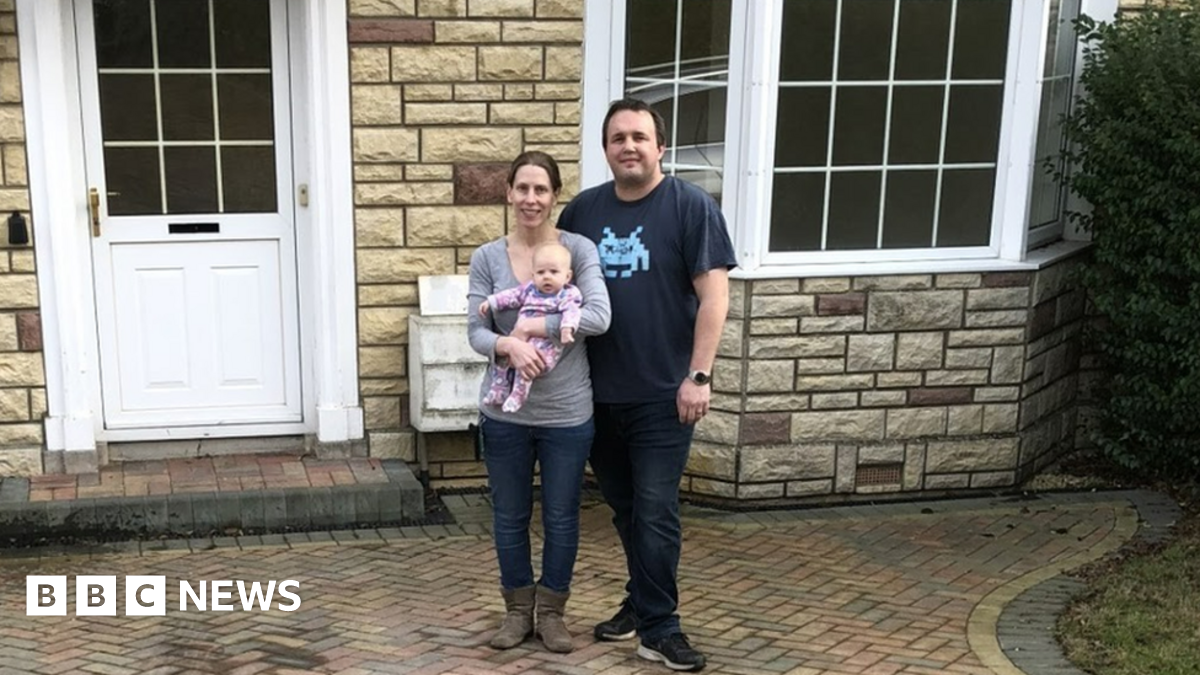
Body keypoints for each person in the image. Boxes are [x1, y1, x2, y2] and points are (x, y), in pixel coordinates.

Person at [558, 98, 737, 672]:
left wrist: (699, 376)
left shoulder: (690, 206)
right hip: (595, 394)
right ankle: (640, 603)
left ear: (661, 147)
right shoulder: (582, 212)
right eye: (617, 138)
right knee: (626, 508)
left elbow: (714, 295)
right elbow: (554, 287)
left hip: (665, 393)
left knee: (656, 510)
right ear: (605, 150)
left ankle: (661, 627)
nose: (628, 146)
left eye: (639, 136)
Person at [466, 150, 612, 654]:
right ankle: (515, 613)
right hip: (504, 413)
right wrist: (508, 345)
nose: (531, 199)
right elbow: (476, 332)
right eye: (522, 189)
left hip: (567, 413)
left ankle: (551, 615)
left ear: (554, 196)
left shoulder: (578, 250)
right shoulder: (487, 257)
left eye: (541, 190)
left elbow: (599, 316)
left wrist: (536, 326)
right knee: (509, 516)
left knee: (561, 516)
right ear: (508, 193)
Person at [478, 242, 583, 412]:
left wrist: (566, 328)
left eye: (554, 272)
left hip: (545, 345)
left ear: (567, 276)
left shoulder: (568, 294)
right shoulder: (530, 289)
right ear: (533, 275)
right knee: (502, 356)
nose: (546, 277)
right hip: (520, 339)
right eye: (541, 272)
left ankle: (519, 394)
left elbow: (572, 312)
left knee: (524, 362)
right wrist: (492, 301)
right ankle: (499, 390)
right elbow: (513, 295)